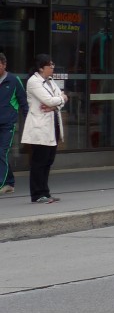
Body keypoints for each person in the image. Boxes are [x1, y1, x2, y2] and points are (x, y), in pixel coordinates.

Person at [22, 54, 66, 203]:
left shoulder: (51, 81)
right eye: (50, 65)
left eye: (53, 64)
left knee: (48, 160)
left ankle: (45, 192)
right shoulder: (34, 82)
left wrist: (57, 103)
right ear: (41, 68)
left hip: (53, 125)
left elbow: (59, 98)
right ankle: (37, 194)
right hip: (39, 127)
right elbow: (48, 100)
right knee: (39, 161)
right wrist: (60, 100)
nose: (52, 67)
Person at [0, 52, 28, 195]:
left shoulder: (13, 80)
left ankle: (1, 184)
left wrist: (29, 124)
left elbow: (24, 103)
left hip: (7, 125)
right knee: (1, 155)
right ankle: (10, 182)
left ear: (4, 65)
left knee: (2, 152)